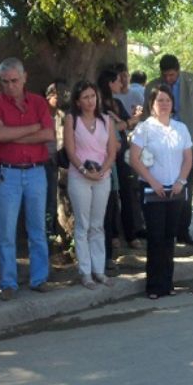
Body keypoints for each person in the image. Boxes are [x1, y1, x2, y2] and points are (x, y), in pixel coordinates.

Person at [0, 57, 54, 301]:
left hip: (36, 172)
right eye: (5, 81)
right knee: (5, 231)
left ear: (25, 77)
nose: (10, 86)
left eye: (14, 80)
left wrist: (11, 135)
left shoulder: (38, 102)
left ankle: (39, 278)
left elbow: (48, 134)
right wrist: (33, 128)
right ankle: (8, 282)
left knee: (38, 228)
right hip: (7, 173)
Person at [129, 85, 193, 299]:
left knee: (169, 236)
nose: (164, 104)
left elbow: (188, 158)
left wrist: (181, 181)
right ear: (151, 104)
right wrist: (152, 181)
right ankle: (154, 286)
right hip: (152, 189)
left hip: (175, 190)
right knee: (155, 237)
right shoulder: (144, 128)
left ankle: (168, 283)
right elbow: (134, 159)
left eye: (167, 100)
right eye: (160, 100)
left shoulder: (180, 128)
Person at [145, 54, 193, 245]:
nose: (168, 79)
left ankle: (183, 231)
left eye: (172, 75)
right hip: (160, 147)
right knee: (163, 190)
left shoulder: (192, 81)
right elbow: (146, 117)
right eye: (165, 75)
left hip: (186, 143)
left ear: (178, 71)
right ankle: (165, 232)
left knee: (185, 189)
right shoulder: (152, 86)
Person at [63, 81, 118, 289]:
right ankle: (85, 272)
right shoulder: (72, 119)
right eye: (85, 97)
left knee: (97, 225)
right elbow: (70, 151)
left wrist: (102, 171)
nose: (90, 101)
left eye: (93, 96)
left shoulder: (106, 120)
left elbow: (111, 151)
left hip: (102, 176)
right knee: (83, 225)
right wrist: (85, 171)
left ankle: (99, 270)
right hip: (80, 177)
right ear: (78, 101)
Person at [98, 69, 143, 251]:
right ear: (110, 83)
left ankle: (131, 234)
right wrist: (129, 122)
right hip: (107, 153)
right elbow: (113, 127)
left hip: (123, 152)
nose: (121, 84)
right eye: (117, 80)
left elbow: (126, 123)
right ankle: (113, 234)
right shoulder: (99, 105)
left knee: (127, 192)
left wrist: (133, 119)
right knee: (110, 195)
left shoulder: (117, 103)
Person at [44, 81, 67, 238]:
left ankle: (51, 232)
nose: (60, 100)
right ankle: (46, 232)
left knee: (53, 198)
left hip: (57, 161)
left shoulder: (62, 115)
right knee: (44, 199)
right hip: (42, 161)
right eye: (57, 96)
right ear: (49, 96)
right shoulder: (40, 114)